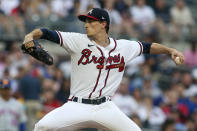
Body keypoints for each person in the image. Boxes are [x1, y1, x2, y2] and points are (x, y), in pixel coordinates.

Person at [23, 8, 184, 131]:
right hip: (77, 105)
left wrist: (170, 50)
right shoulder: (77, 41)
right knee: (42, 127)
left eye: (91, 21)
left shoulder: (123, 46)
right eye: (85, 21)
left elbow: (148, 47)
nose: (86, 25)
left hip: (105, 107)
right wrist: (30, 36)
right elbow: (46, 33)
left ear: (103, 24)